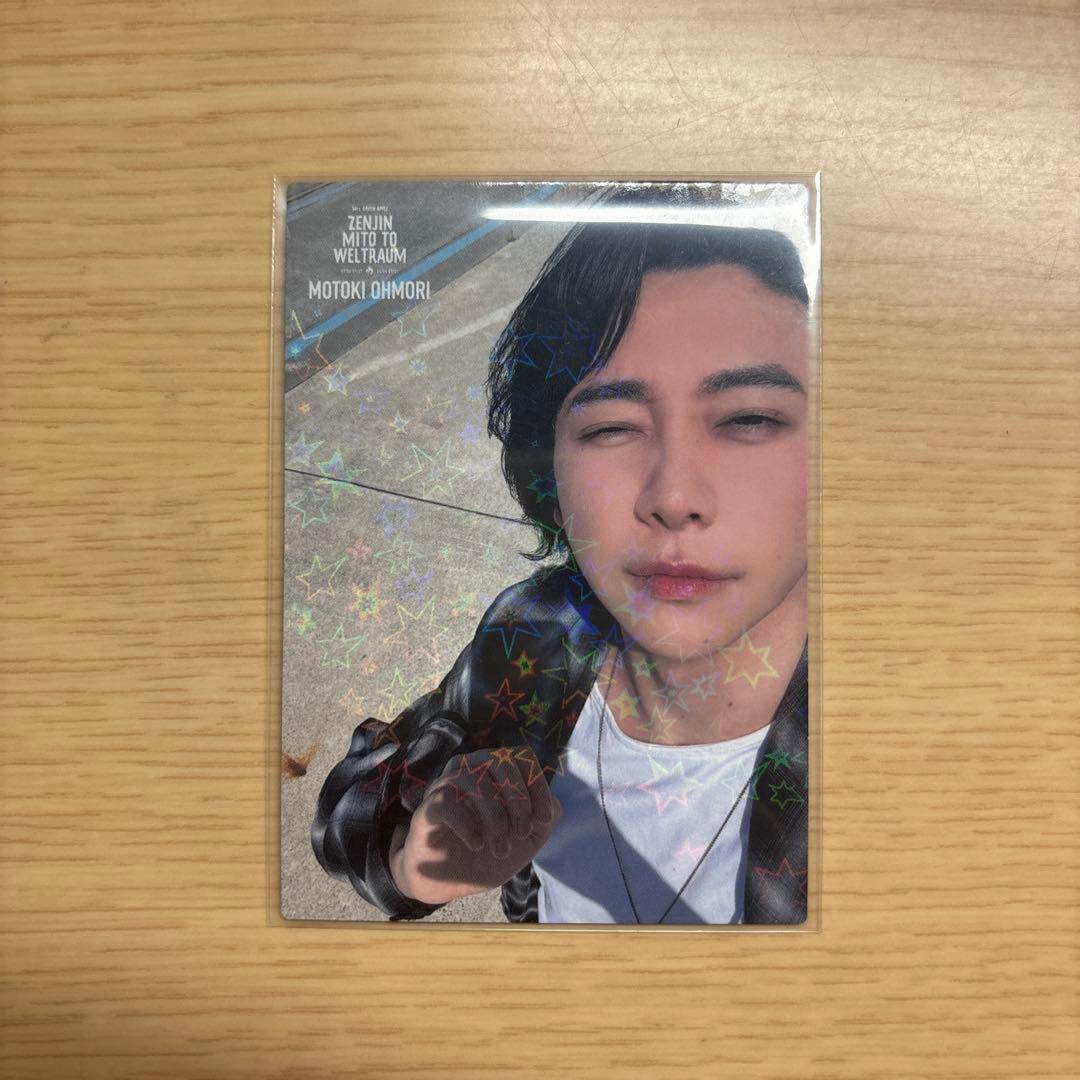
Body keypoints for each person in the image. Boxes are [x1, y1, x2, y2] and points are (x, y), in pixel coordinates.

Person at [311, 187, 812, 924]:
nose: (674, 496)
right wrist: (417, 861)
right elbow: (353, 808)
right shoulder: (540, 631)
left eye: (749, 419)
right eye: (611, 427)